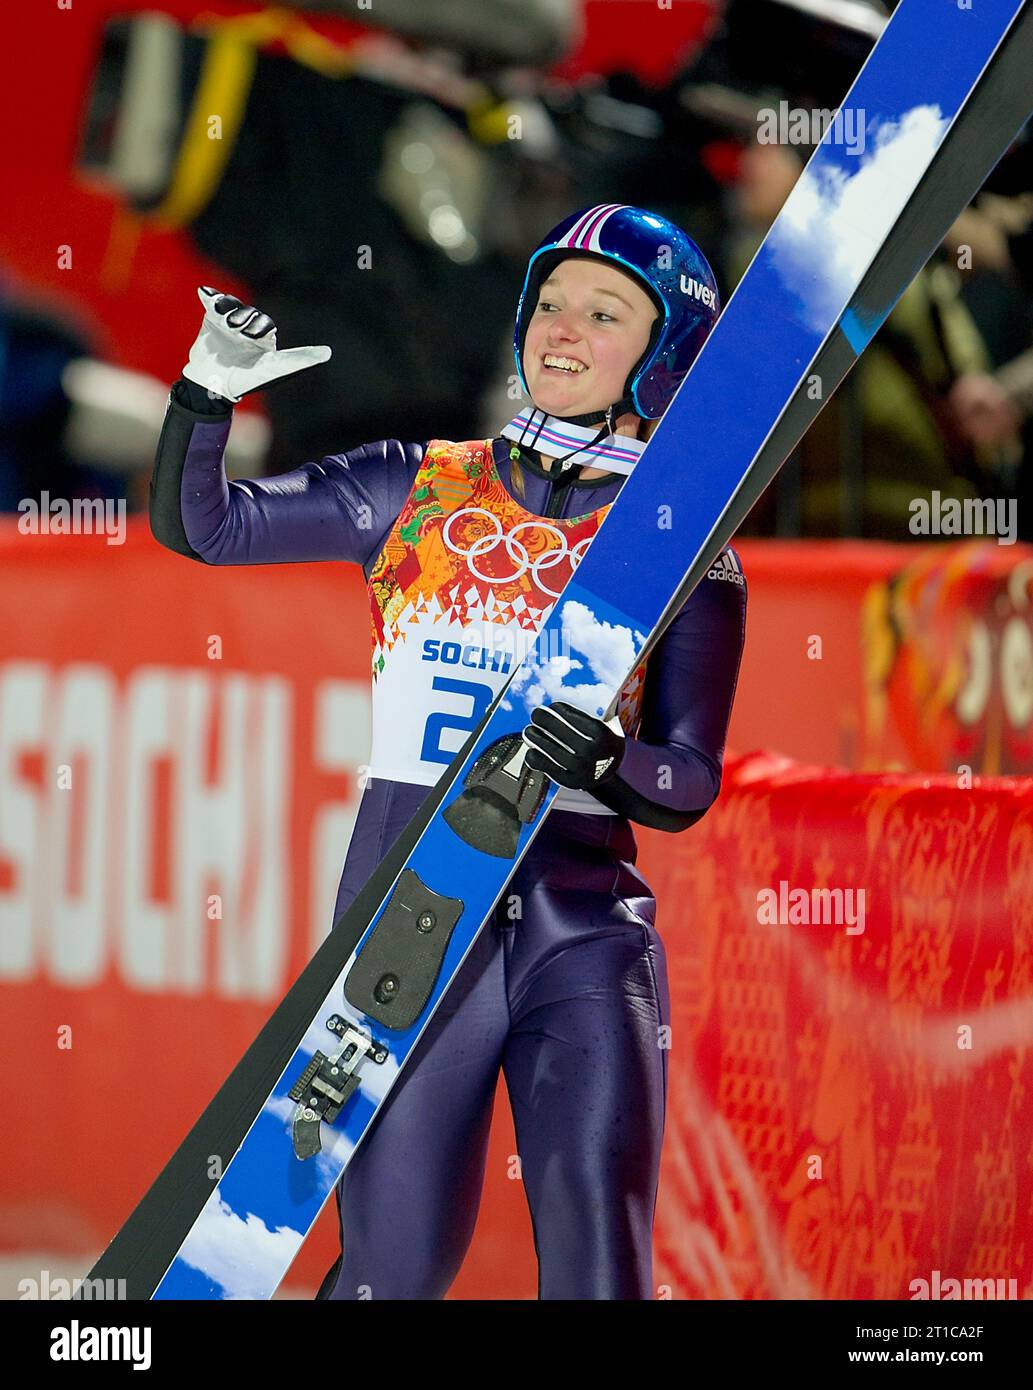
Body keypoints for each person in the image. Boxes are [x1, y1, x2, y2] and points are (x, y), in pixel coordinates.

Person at [149, 204, 747, 1300]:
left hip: (586, 936)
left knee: (598, 1270)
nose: (560, 330)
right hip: (412, 932)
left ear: (662, 359)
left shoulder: (682, 546)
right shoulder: (411, 486)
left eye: (604, 313)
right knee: (395, 1270)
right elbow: (209, 528)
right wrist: (205, 393)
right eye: (549, 303)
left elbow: (689, 776)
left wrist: (605, 765)